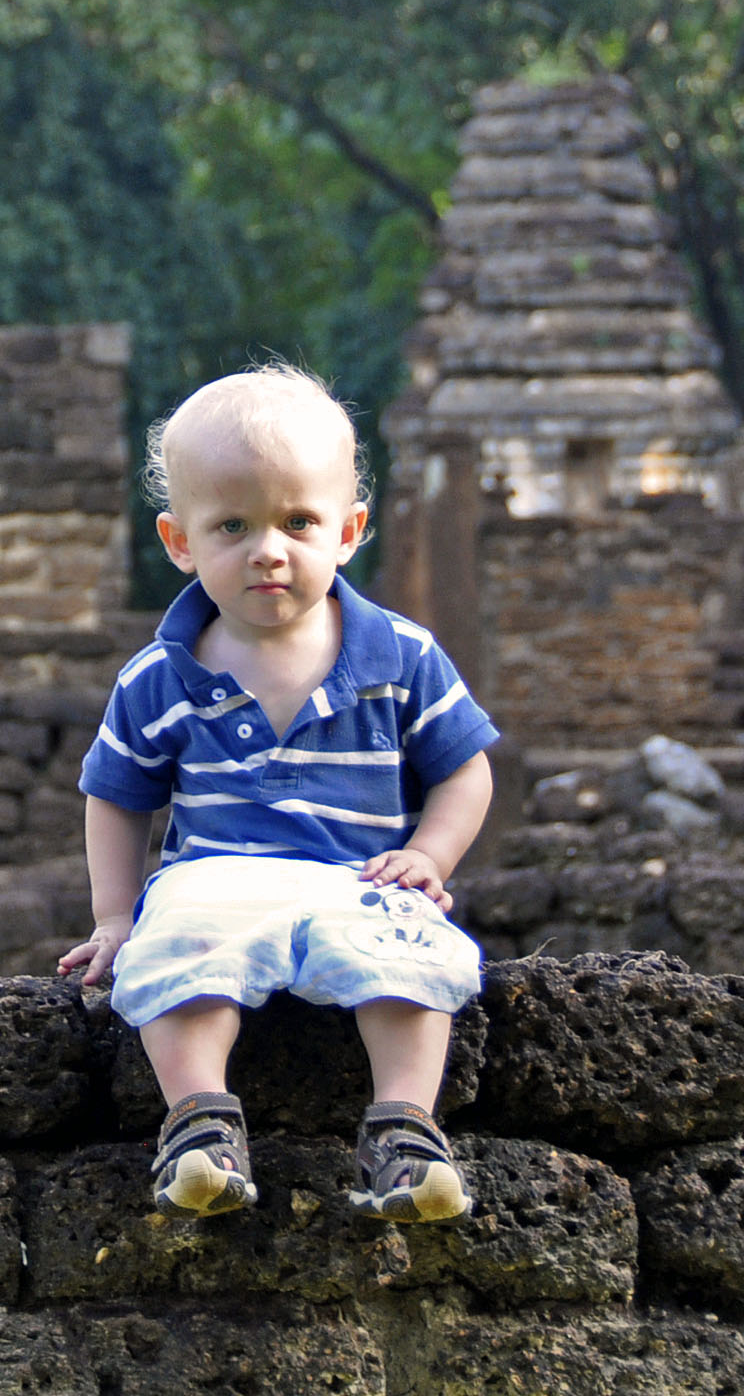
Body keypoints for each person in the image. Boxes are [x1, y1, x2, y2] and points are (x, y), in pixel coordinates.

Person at [58, 363, 497, 1222]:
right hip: (213, 875)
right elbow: (117, 795)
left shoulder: (401, 657)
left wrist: (429, 854)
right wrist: (115, 915)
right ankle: (197, 1121)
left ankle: (406, 1128)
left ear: (349, 530)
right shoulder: (161, 676)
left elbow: (463, 767)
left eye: (299, 521)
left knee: (413, 957)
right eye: (232, 525)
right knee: (171, 953)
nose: (269, 549)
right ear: (179, 542)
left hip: (362, 875)